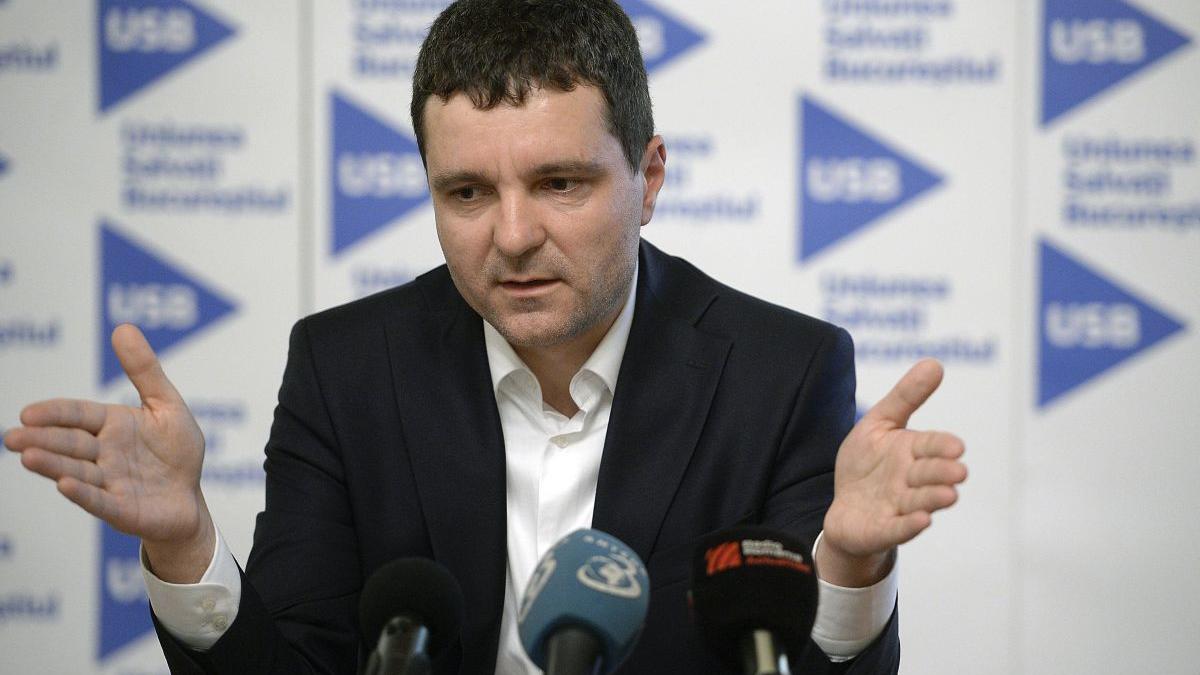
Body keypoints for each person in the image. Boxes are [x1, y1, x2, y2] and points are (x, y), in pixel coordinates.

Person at [4, 1, 967, 672]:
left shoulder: (782, 372)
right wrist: (186, 545)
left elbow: (800, 666)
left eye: (559, 183)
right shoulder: (346, 370)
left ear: (649, 178)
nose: (511, 236)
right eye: (466, 192)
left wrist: (851, 568)